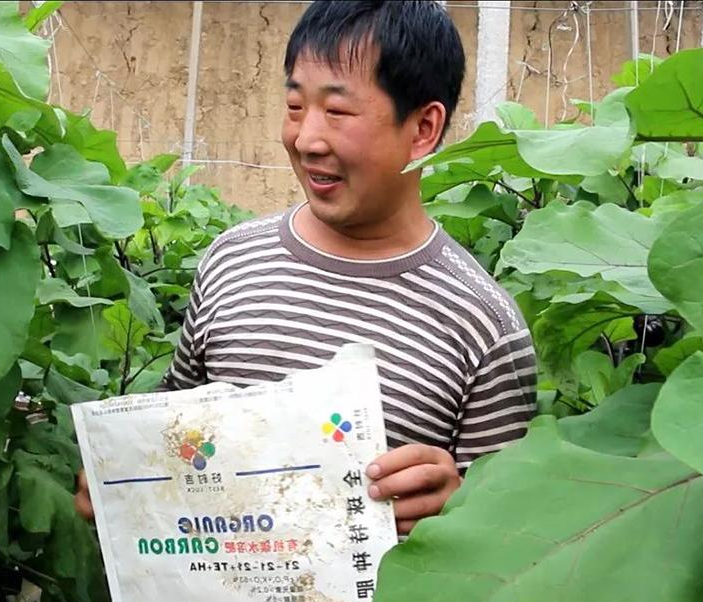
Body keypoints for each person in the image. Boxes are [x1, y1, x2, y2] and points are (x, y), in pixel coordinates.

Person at [76, 0, 536, 535]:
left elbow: (506, 545)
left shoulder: (482, 325)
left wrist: (461, 506)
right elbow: (177, 429)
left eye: (337, 112)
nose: (307, 139)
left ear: (423, 128)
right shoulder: (232, 262)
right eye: (296, 107)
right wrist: (127, 470)